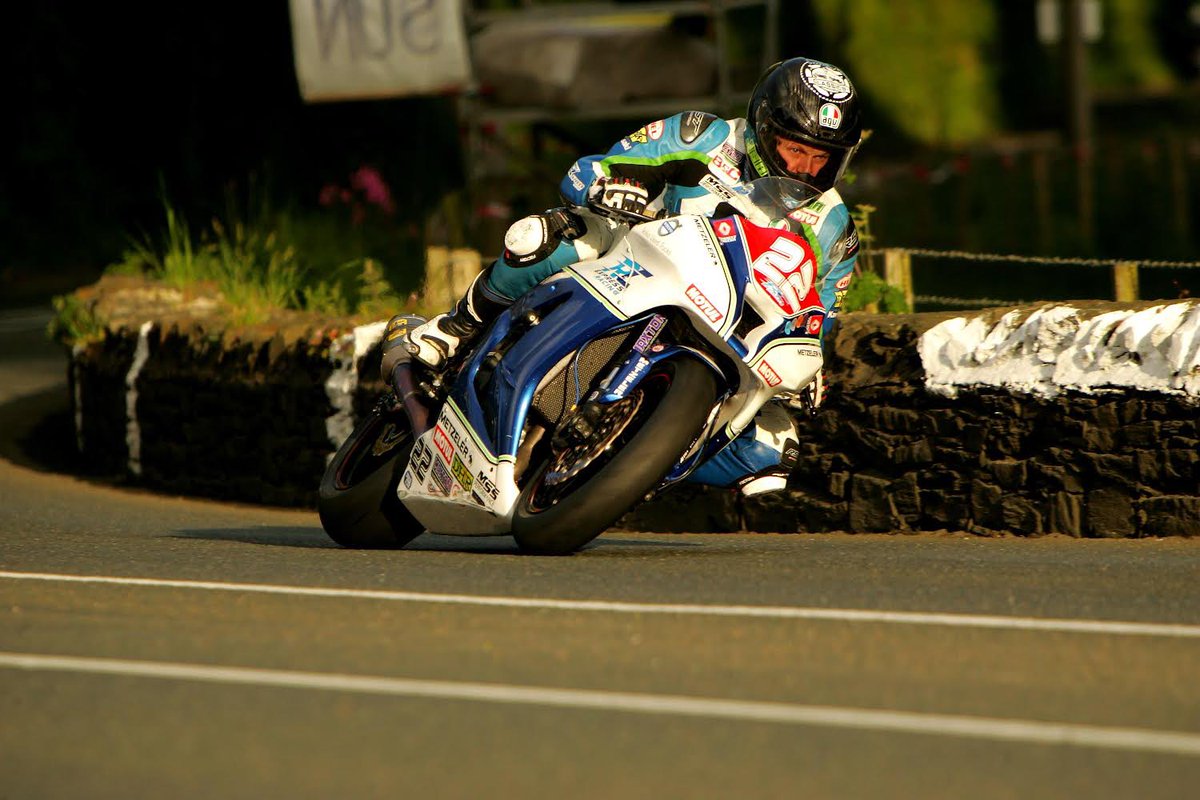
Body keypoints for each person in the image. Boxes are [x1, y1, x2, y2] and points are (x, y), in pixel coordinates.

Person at [386, 57, 864, 496]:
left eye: (822, 158)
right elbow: (590, 170)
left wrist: (811, 355)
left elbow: (819, 311)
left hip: (731, 328)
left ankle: (633, 465)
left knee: (774, 451)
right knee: (546, 237)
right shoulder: (704, 137)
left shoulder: (833, 226)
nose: (806, 168)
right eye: (795, 149)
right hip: (635, 260)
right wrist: (612, 187)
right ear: (763, 126)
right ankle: (457, 327)